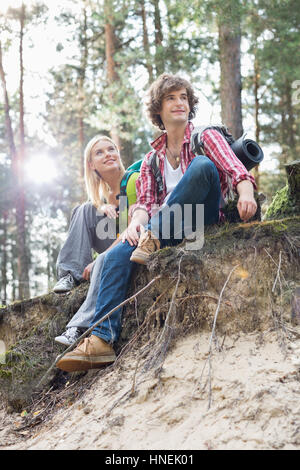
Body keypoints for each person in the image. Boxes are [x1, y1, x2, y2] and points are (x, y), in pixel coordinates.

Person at [56, 73, 257, 372]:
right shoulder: (151, 160)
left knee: (202, 166)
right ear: (158, 110)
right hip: (163, 231)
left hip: (200, 216)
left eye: (184, 98)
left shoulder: (204, 136)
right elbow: (144, 205)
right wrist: (135, 224)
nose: (179, 103)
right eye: (171, 98)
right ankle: (101, 339)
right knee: (114, 253)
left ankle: (154, 236)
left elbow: (234, 168)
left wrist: (246, 192)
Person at [53, 135, 138, 346]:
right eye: (99, 152)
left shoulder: (134, 181)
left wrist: (101, 256)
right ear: (91, 164)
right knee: (82, 209)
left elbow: (132, 228)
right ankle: (70, 274)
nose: (108, 154)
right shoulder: (101, 194)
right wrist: (100, 206)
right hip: (114, 238)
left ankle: (78, 328)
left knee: (102, 261)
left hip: (133, 240)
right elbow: (95, 218)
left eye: (111, 149)